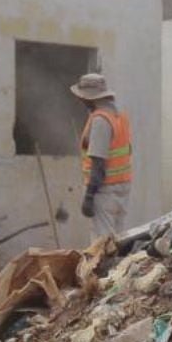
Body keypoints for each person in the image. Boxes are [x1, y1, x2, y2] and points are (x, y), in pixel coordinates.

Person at [70, 73, 133, 238]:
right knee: (119, 239)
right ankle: (119, 265)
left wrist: (89, 195)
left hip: (104, 190)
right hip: (122, 186)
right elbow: (128, 150)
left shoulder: (100, 120)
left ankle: (104, 265)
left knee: (102, 242)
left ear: (90, 98)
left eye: (82, 97)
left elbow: (98, 163)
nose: (81, 101)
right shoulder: (119, 116)